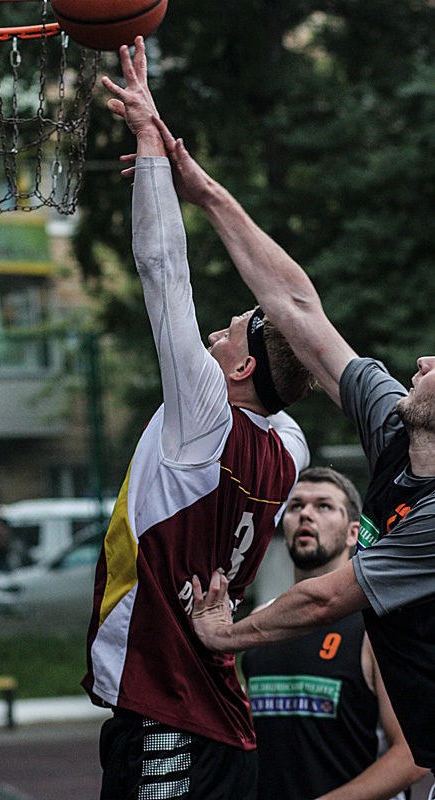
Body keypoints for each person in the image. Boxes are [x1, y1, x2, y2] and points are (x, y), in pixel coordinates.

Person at [148, 101, 435, 773]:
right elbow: (299, 311)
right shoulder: (396, 429)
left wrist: (226, 635)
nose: (422, 361)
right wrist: (204, 190)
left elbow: (325, 598)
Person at [81, 39, 314, 800]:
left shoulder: (206, 423)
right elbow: (298, 325)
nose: (213, 334)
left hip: (170, 714)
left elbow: (163, 275)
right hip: (217, 720)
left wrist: (152, 145)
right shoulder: (287, 446)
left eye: (230, 333)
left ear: (240, 372)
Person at [241, 466, 426, 800]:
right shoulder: (260, 622)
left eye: (323, 506)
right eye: (296, 506)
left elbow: (413, 755)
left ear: (354, 533)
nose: (305, 514)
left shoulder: (377, 627)